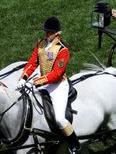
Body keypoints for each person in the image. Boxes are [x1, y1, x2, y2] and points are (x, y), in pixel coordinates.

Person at [17, 17, 81, 154]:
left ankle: (74, 144)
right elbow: (32, 62)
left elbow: (56, 74)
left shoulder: (63, 50)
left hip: (58, 86)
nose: (46, 34)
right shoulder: (40, 44)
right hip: (44, 83)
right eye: (45, 31)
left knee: (59, 118)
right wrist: (24, 78)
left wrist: (37, 81)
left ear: (57, 33)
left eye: (49, 32)